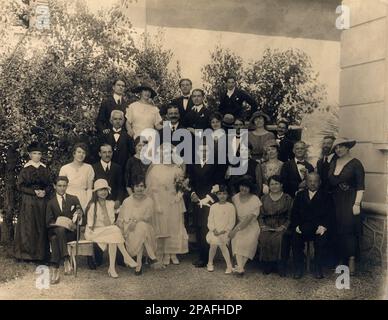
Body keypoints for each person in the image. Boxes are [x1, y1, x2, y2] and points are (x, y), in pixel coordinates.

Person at [84, 179, 137, 278]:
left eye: (105, 190)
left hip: (110, 233)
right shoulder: (92, 206)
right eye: (100, 190)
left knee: (113, 237)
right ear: (96, 192)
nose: (103, 192)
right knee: (115, 230)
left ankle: (112, 268)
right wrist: (107, 229)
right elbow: (91, 226)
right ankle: (126, 257)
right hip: (94, 232)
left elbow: (124, 209)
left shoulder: (111, 203)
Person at [146, 143, 188, 266]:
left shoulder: (177, 168)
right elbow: (152, 188)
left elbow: (181, 185)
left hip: (174, 200)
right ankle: (164, 252)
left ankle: (173, 253)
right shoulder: (156, 168)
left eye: (169, 152)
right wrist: (157, 203)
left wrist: (179, 195)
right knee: (162, 225)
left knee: (174, 225)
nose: (167, 155)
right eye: (164, 153)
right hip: (160, 200)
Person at [328, 138, 365, 275]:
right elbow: (331, 181)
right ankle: (341, 259)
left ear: (348, 148)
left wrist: (356, 204)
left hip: (349, 200)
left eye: (341, 147)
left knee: (348, 230)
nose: (338, 150)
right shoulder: (333, 162)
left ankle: (351, 259)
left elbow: (361, 186)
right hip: (335, 200)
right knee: (336, 229)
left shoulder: (356, 164)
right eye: (336, 148)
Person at [290, 172, 332, 279]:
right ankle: (299, 268)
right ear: (306, 182)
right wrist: (297, 226)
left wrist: (324, 226)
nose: (313, 184)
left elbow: (330, 214)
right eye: (310, 181)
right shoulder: (300, 195)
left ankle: (318, 267)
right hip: (303, 227)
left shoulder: (326, 195)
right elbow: (294, 213)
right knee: (295, 239)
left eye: (315, 181)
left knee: (322, 241)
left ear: (320, 182)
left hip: (318, 228)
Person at [14, 142, 51, 262]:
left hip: (42, 201)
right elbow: (20, 186)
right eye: (34, 153)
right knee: (29, 226)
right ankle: (27, 255)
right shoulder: (26, 169)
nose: (37, 156)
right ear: (30, 155)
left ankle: (40, 255)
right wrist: (33, 192)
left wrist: (45, 191)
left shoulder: (44, 168)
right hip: (29, 201)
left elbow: (49, 185)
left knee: (41, 225)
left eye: (39, 153)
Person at [188, 144, 221, 268]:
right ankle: (201, 256)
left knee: (207, 228)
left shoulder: (216, 164)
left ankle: (208, 258)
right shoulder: (193, 164)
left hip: (209, 200)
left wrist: (207, 198)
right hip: (197, 200)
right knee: (198, 227)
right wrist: (193, 193)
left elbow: (219, 183)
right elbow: (190, 181)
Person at [46, 176, 83, 284]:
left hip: (71, 233)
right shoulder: (50, 203)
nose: (62, 188)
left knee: (54, 239)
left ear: (67, 185)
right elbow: (48, 222)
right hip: (56, 231)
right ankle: (66, 259)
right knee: (59, 230)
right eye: (59, 186)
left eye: (64, 185)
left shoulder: (74, 199)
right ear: (54, 186)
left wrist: (79, 215)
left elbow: (80, 217)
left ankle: (55, 271)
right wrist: (59, 223)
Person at [117, 178, 157, 275]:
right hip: (129, 228)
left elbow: (147, 217)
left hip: (145, 227)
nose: (139, 188)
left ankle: (138, 265)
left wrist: (136, 221)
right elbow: (121, 218)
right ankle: (151, 255)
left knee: (141, 227)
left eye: (142, 186)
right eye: (137, 186)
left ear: (145, 187)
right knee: (141, 229)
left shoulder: (149, 201)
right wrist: (123, 230)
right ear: (133, 188)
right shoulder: (127, 201)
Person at [259, 175, 293, 277]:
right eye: (272, 184)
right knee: (264, 237)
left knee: (280, 238)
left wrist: (283, 226)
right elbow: (260, 215)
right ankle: (268, 264)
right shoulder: (263, 198)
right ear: (268, 186)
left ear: (281, 185)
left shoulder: (287, 198)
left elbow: (290, 216)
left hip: (281, 225)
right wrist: (262, 225)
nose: (274, 186)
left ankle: (280, 265)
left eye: (276, 184)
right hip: (267, 225)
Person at [228, 175, 262, 276]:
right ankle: (240, 267)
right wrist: (233, 228)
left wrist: (235, 230)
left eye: (247, 187)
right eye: (242, 186)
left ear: (250, 188)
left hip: (251, 226)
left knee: (248, 240)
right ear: (239, 186)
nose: (244, 188)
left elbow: (248, 220)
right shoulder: (235, 198)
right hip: (238, 224)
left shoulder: (255, 199)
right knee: (237, 239)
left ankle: (240, 266)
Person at [206, 185, 236, 274]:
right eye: (219, 194)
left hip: (225, 232)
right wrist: (214, 230)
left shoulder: (230, 206)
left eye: (224, 194)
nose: (222, 196)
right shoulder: (213, 206)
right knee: (213, 244)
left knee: (222, 244)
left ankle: (229, 265)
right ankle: (210, 262)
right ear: (216, 195)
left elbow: (232, 221)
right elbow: (210, 220)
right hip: (214, 232)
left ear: (227, 195)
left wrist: (225, 230)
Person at [59, 143, 95, 211]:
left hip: (83, 198)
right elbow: (61, 187)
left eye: (83, 153)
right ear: (74, 154)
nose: (81, 155)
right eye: (79, 152)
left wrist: (88, 202)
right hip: (68, 197)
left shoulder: (89, 168)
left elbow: (89, 188)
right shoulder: (65, 168)